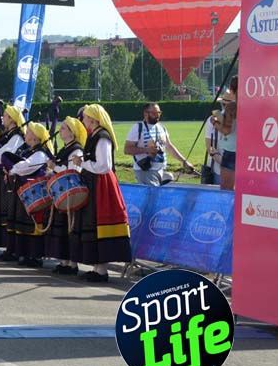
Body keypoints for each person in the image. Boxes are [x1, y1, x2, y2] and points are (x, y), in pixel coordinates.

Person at [71, 104, 133, 283]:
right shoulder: (94, 136)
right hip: (94, 182)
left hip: (102, 185)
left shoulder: (102, 137)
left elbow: (103, 165)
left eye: (85, 117)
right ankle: (97, 267)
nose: (82, 120)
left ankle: (102, 269)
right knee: (92, 221)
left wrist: (81, 163)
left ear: (93, 119)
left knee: (100, 222)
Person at [45, 117, 88, 276]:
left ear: (72, 132)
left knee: (70, 227)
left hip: (70, 193)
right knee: (62, 227)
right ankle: (63, 261)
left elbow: (72, 171)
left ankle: (72, 263)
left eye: (64, 128)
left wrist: (54, 167)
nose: (60, 130)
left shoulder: (76, 150)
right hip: (61, 193)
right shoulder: (65, 148)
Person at [0, 106, 26, 259]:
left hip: (9, 177)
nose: (3, 118)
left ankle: (11, 249)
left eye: (6, 116)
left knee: (8, 210)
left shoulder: (17, 137)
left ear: (13, 120)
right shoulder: (6, 134)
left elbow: (3, 155)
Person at [8, 122, 53, 268]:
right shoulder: (30, 150)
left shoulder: (40, 153)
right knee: (23, 221)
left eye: (29, 132)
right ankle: (23, 252)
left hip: (36, 193)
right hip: (26, 191)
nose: (26, 133)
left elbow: (25, 167)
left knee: (33, 222)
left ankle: (34, 255)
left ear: (35, 136)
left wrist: (12, 168)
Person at [124, 103, 195, 185]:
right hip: (145, 170)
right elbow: (127, 149)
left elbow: (169, 147)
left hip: (160, 169)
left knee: (168, 181)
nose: (157, 115)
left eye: (159, 113)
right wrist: (147, 150)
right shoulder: (137, 127)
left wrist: (184, 161)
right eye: (154, 113)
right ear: (145, 113)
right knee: (152, 196)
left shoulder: (161, 127)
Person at [212, 78, 238, 191]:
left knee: (227, 190)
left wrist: (215, 123)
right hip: (249, 153)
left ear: (232, 90)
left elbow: (227, 131)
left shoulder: (231, 107)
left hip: (231, 153)